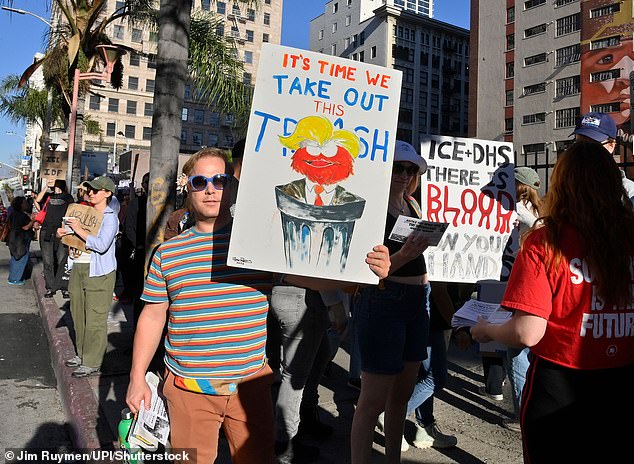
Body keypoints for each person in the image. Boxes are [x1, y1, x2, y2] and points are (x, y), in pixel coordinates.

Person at [125, 148, 390, 464]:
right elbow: (153, 315)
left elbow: (314, 278)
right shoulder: (168, 254)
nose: (210, 189)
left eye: (220, 180)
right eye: (200, 181)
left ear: (232, 185)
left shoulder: (256, 245)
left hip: (250, 389)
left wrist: (368, 272)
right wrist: (136, 376)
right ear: (189, 188)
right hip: (189, 390)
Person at [471, 141, 634, 463]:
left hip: (558, 384)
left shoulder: (544, 242)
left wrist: (487, 329)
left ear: (561, 184)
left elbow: (526, 333)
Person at [351, 141, 431, 464]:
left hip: (416, 301)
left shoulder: (411, 205)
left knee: (401, 396)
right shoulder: (372, 209)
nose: (403, 174)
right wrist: (404, 255)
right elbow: (367, 270)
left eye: (410, 169)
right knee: (372, 399)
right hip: (384, 300)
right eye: (397, 167)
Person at [57, 176, 119, 378]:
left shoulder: (110, 217)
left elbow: (101, 245)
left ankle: (92, 362)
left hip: (99, 271)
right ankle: (83, 355)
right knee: (78, 314)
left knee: (95, 318)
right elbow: (74, 238)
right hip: (79, 267)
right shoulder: (83, 212)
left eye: (96, 190)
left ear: (107, 193)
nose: (91, 193)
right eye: (89, 190)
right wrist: (63, 233)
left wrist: (78, 230)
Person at [572, 111, 634, 203]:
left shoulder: (629, 194)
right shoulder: (565, 189)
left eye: (594, 145)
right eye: (579, 144)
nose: (584, 151)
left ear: (611, 145)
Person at [35, 179, 74, 298]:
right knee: (48, 260)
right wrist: (46, 187)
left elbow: (72, 211)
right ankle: (50, 287)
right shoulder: (49, 196)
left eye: (57, 184)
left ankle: (63, 287)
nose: (55, 186)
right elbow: (37, 201)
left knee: (62, 260)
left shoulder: (68, 197)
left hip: (61, 231)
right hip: (47, 231)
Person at [6, 196, 34, 285]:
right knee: (21, 258)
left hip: (13, 239)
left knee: (15, 257)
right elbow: (26, 227)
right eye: (25, 203)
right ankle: (16, 279)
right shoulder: (21, 216)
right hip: (20, 239)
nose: (27, 204)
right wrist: (33, 221)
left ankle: (13, 277)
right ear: (21, 205)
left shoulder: (13, 214)